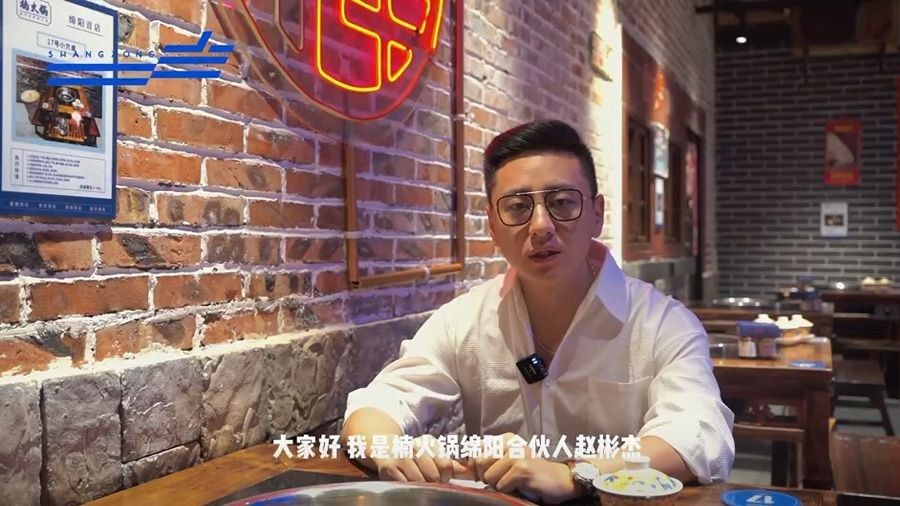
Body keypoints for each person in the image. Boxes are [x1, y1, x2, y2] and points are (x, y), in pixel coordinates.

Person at [340, 119, 734, 503]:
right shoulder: (464, 319)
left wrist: (578, 474)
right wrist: (392, 450)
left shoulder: (663, 323)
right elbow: (376, 404)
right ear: (493, 225)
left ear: (597, 214)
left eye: (562, 203)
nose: (541, 226)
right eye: (517, 207)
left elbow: (699, 431)